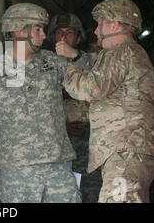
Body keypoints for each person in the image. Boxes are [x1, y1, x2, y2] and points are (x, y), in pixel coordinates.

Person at [0, 3, 86, 203]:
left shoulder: (54, 62)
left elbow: (91, 82)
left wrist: (77, 55)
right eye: (38, 29)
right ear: (19, 30)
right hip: (17, 169)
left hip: (57, 164)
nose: (44, 36)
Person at [62, 0, 154, 203]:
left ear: (114, 24)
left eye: (100, 24)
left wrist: (70, 70)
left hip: (126, 149)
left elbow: (91, 89)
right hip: (131, 149)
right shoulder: (133, 54)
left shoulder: (119, 51)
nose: (97, 32)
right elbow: (108, 103)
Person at [49, 13, 102, 203]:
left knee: (93, 192)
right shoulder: (45, 65)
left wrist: (76, 56)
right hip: (59, 142)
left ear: (78, 38)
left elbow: (103, 79)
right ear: (52, 37)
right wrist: (62, 126)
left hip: (91, 140)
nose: (63, 37)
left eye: (69, 32)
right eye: (59, 33)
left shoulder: (92, 61)